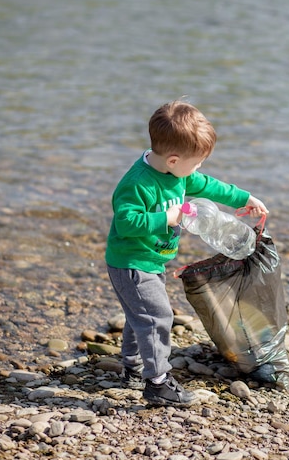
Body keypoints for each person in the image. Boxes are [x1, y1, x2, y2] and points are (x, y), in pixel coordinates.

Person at [105, 100, 268, 407]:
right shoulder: (137, 183)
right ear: (173, 159)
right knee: (157, 317)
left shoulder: (177, 173)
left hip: (151, 259)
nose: (198, 169)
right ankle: (158, 383)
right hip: (131, 263)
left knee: (139, 314)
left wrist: (245, 197)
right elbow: (125, 223)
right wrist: (166, 218)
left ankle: (133, 366)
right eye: (196, 163)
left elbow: (208, 186)